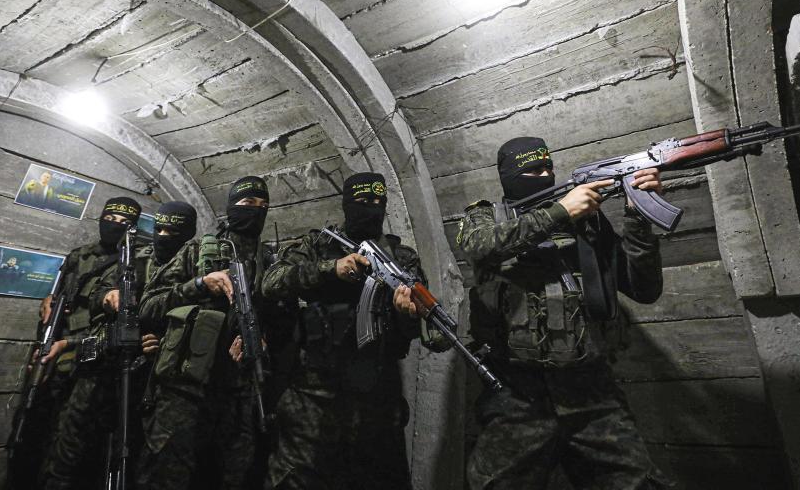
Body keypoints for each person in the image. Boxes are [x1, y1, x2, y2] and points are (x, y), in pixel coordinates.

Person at [459, 137, 666, 489]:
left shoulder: (585, 220)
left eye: (548, 167)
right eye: (532, 170)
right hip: (519, 396)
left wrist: (638, 216)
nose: (545, 175)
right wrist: (559, 212)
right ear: (509, 176)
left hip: (591, 391)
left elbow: (644, 289)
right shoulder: (487, 218)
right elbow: (479, 245)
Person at [259, 172, 448, 490]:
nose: (371, 208)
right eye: (362, 201)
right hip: (314, 394)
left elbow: (415, 329)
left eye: (378, 201)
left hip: (376, 394)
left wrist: (406, 315)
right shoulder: (317, 245)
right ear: (347, 204)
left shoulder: (402, 259)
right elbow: (272, 283)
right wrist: (330, 269)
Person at [136, 180, 287, 490]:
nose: (255, 211)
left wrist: (263, 338)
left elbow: (285, 318)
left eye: (262, 205)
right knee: (166, 476)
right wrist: (200, 284)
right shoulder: (198, 251)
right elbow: (148, 306)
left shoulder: (272, 261)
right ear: (231, 207)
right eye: (247, 204)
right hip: (184, 390)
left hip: (240, 392)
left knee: (232, 476)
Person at [40, 200, 189, 490]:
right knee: (67, 446)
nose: (163, 237)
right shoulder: (132, 258)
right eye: (159, 229)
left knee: (121, 452)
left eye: (173, 231)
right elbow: (98, 297)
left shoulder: (189, 265)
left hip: (143, 375)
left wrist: (163, 340)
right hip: (99, 361)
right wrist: (108, 296)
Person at [10, 197, 141, 490]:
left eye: (124, 222)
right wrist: (44, 330)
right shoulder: (79, 256)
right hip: (53, 354)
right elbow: (55, 302)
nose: (115, 225)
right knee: (29, 427)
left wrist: (70, 344)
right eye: (111, 217)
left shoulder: (133, 265)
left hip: (89, 365)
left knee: (69, 444)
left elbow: (119, 328)